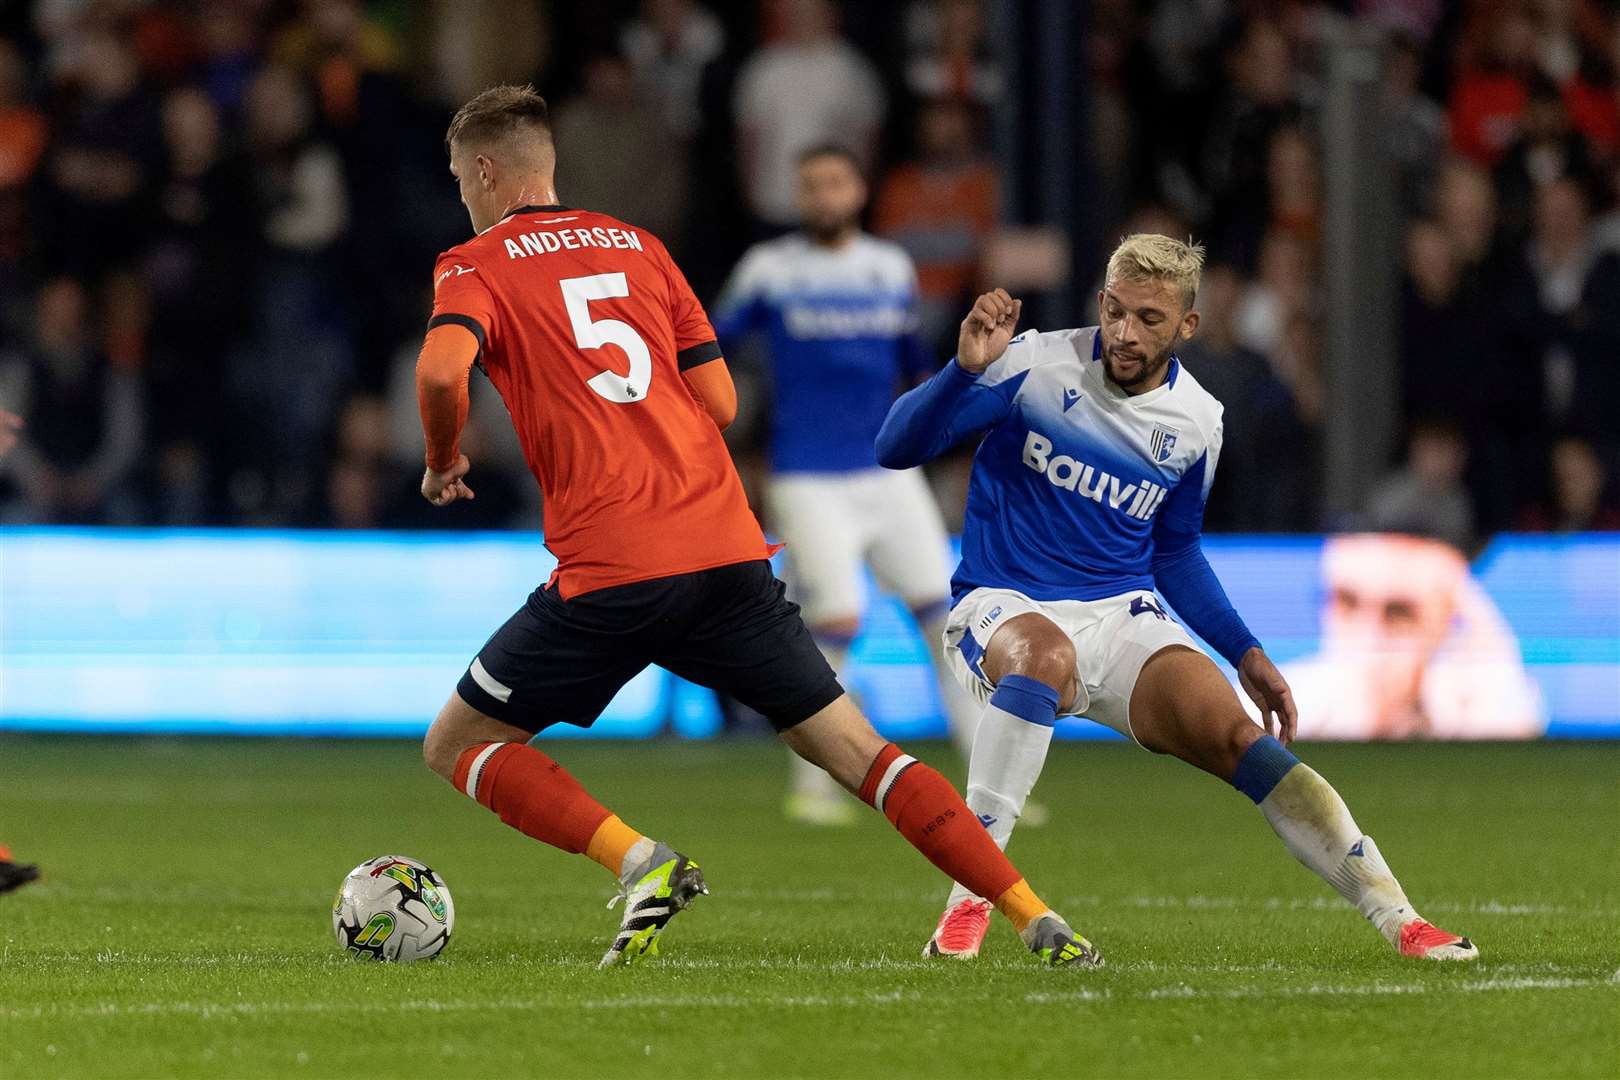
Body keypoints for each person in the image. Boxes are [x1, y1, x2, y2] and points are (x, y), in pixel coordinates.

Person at [412, 85, 1097, 969]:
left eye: (462, 183)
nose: (464, 199)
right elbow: (723, 401)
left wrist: (441, 459)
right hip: (727, 551)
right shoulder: (642, 249)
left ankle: (641, 862)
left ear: (486, 171)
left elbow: (439, 374)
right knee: (863, 755)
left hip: (614, 567)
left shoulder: (473, 263)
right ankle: (1034, 914)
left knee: (458, 743)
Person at [875, 235, 1479, 962]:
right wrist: (961, 371)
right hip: (1002, 603)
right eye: (1117, 311)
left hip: (1122, 614)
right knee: (1044, 656)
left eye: (1150, 319)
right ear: (1101, 301)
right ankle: (968, 904)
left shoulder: (1198, 421)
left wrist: (1245, 652)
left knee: (1240, 742)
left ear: (1187, 325)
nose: (1126, 333)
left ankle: (1402, 920)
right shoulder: (1033, 363)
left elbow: (1175, 552)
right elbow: (895, 447)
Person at [713, 144, 985, 826]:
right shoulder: (769, 270)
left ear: (857, 191)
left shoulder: (889, 268)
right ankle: (813, 789)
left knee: (947, 621)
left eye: (833, 183)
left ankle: (991, 788)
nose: (822, 196)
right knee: (834, 616)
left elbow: (913, 370)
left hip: (888, 472)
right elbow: (711, 349)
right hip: (806, 474)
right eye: (810, 186)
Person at [1285, 534, 1544, 740]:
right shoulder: (1284, 698)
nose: (1369, 634)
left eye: (1398, 613)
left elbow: (1515, 727)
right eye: (1347, 602)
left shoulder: (1472, 701)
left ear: (1443, 623)